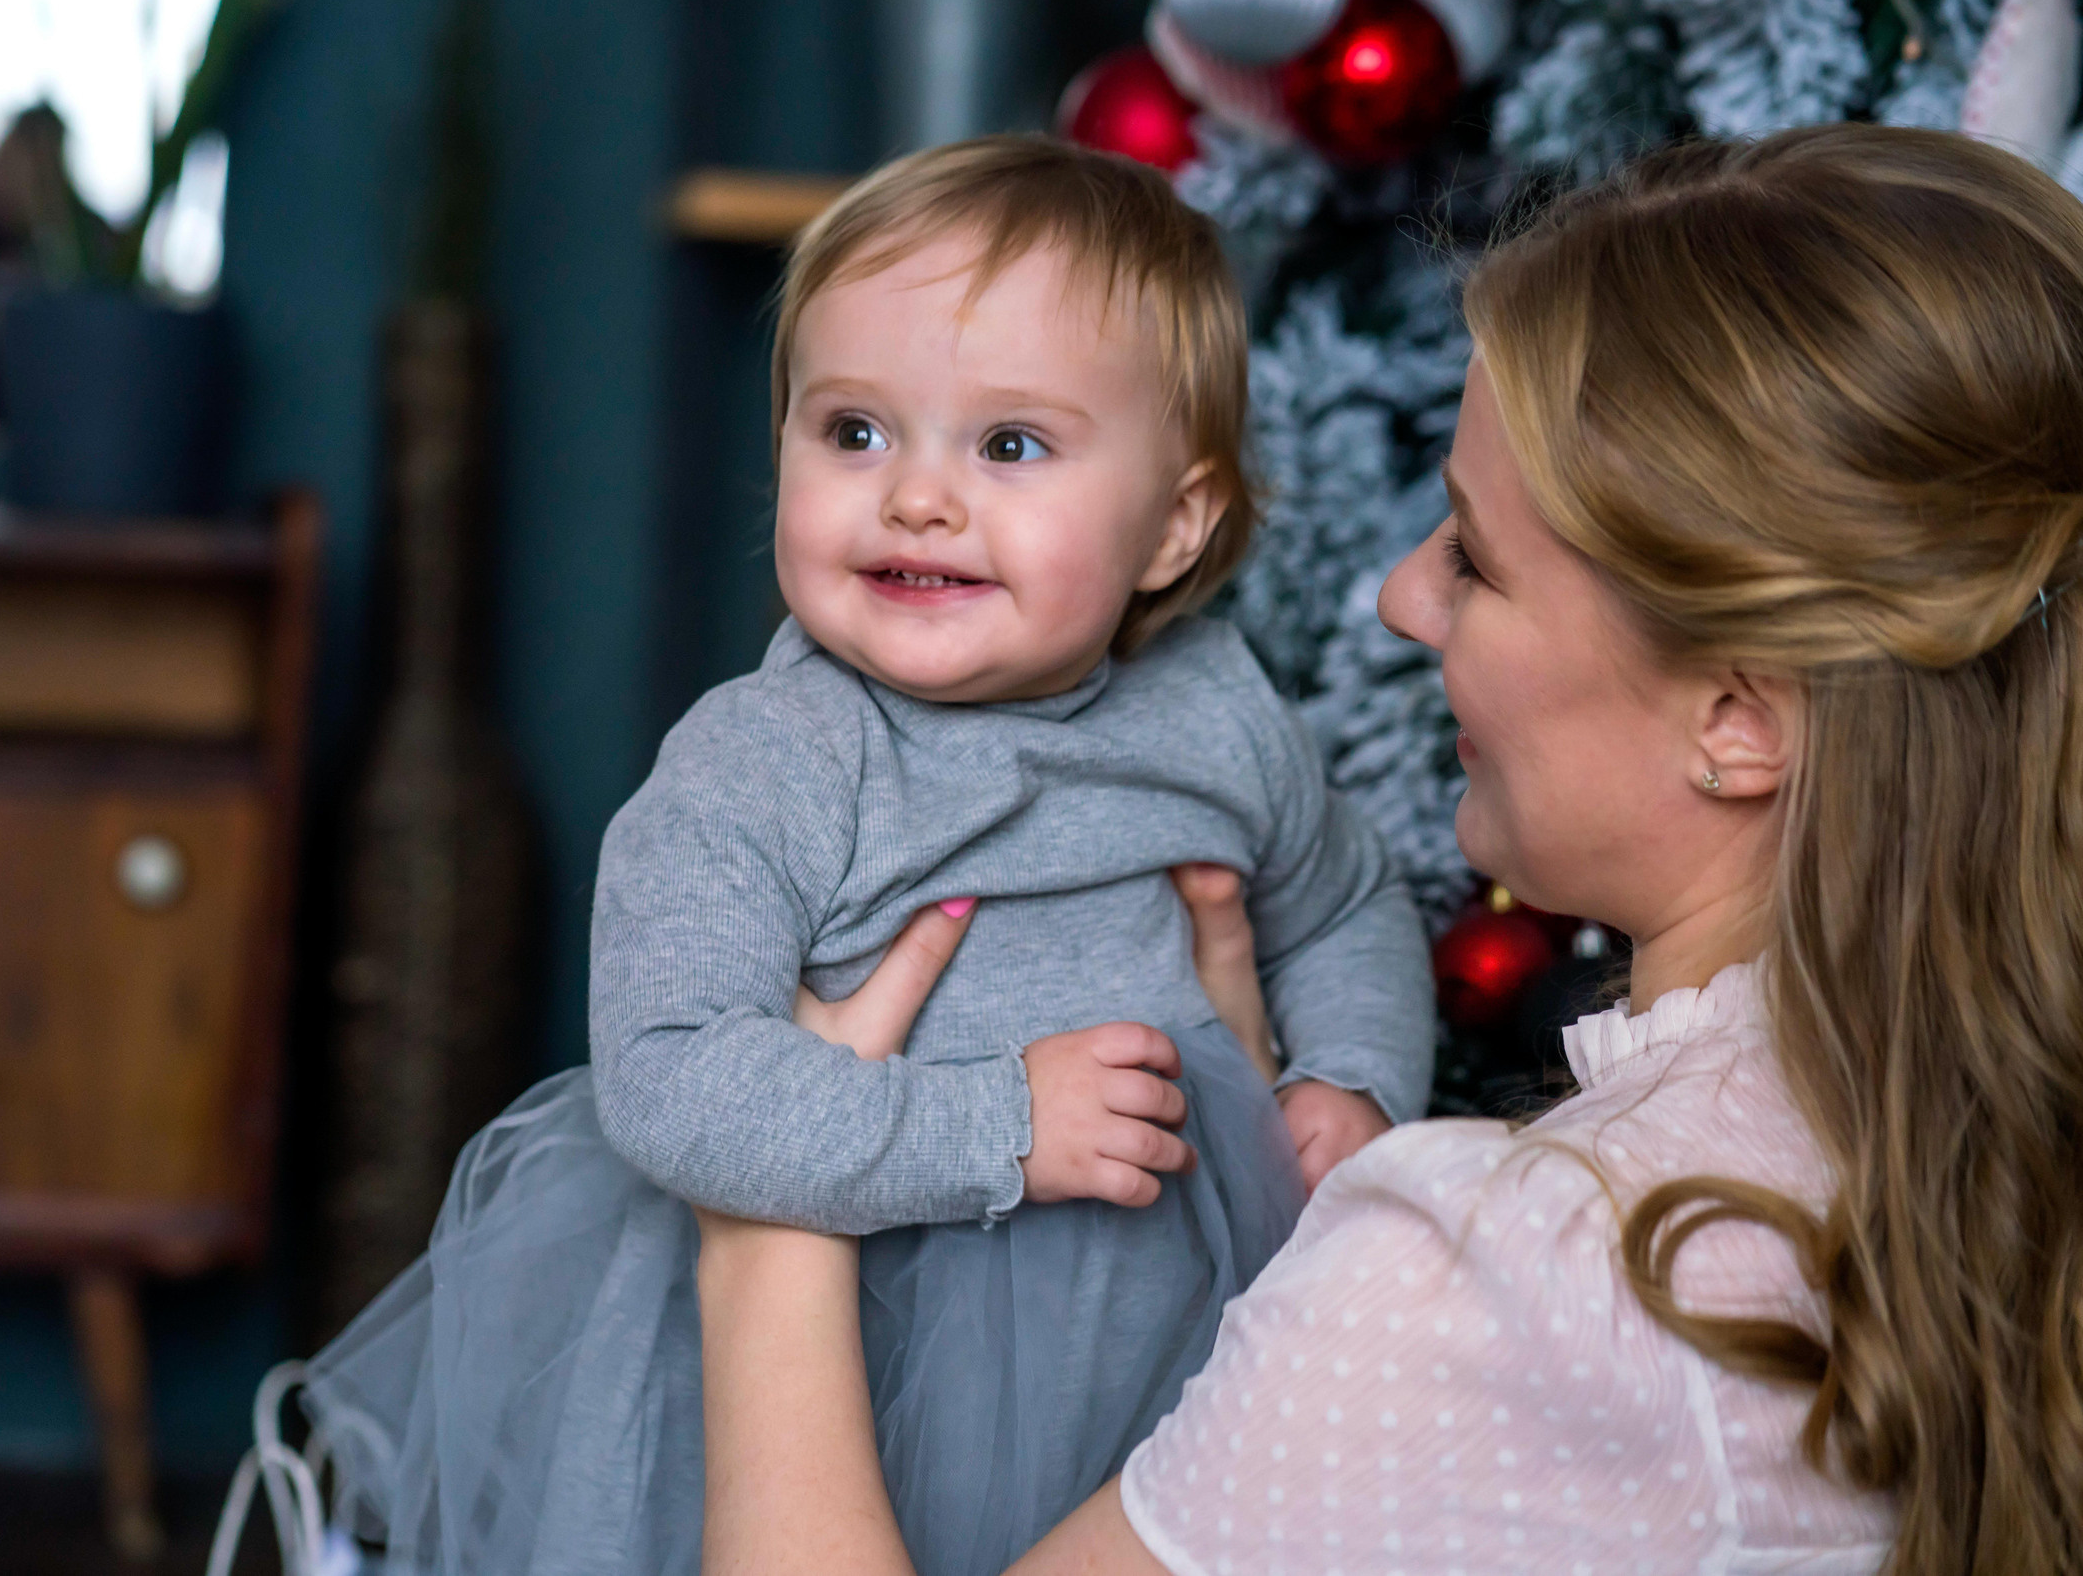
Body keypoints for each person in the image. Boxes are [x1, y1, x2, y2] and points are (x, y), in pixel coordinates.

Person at [696, 122, 2083, 1575]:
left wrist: (770, 1224)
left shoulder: (1518, 1275)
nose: (1399, 601)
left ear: (1738, 718)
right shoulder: (1963, 1157)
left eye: (1474, 558)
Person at [305, 137, 1437, 1575]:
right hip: (845, 1340)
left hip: (1160, 1331)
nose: (916, 498)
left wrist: (1351, 1073)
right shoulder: (769, 758)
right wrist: (997, 1127)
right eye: (853, 431)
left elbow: (1345, 903)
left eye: (1009, 446)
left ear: (1175, 525)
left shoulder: (1219, 715)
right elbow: (670, 1073)